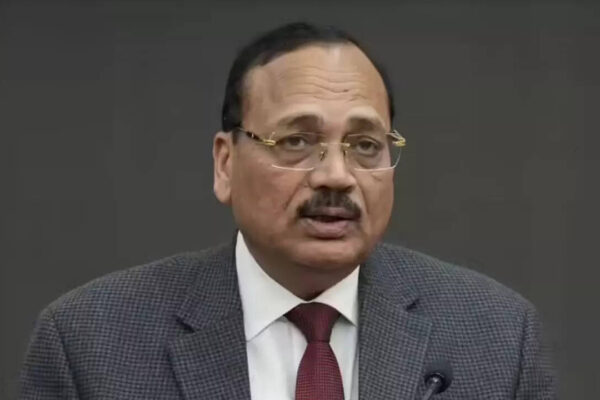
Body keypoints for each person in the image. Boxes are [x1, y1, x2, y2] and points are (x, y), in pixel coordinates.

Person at [19, 22, 556, 399]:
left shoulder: (495, 336)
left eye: (365, 145)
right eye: (297, 141)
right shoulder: (91, 343)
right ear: (226, 163)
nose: (336, 175)